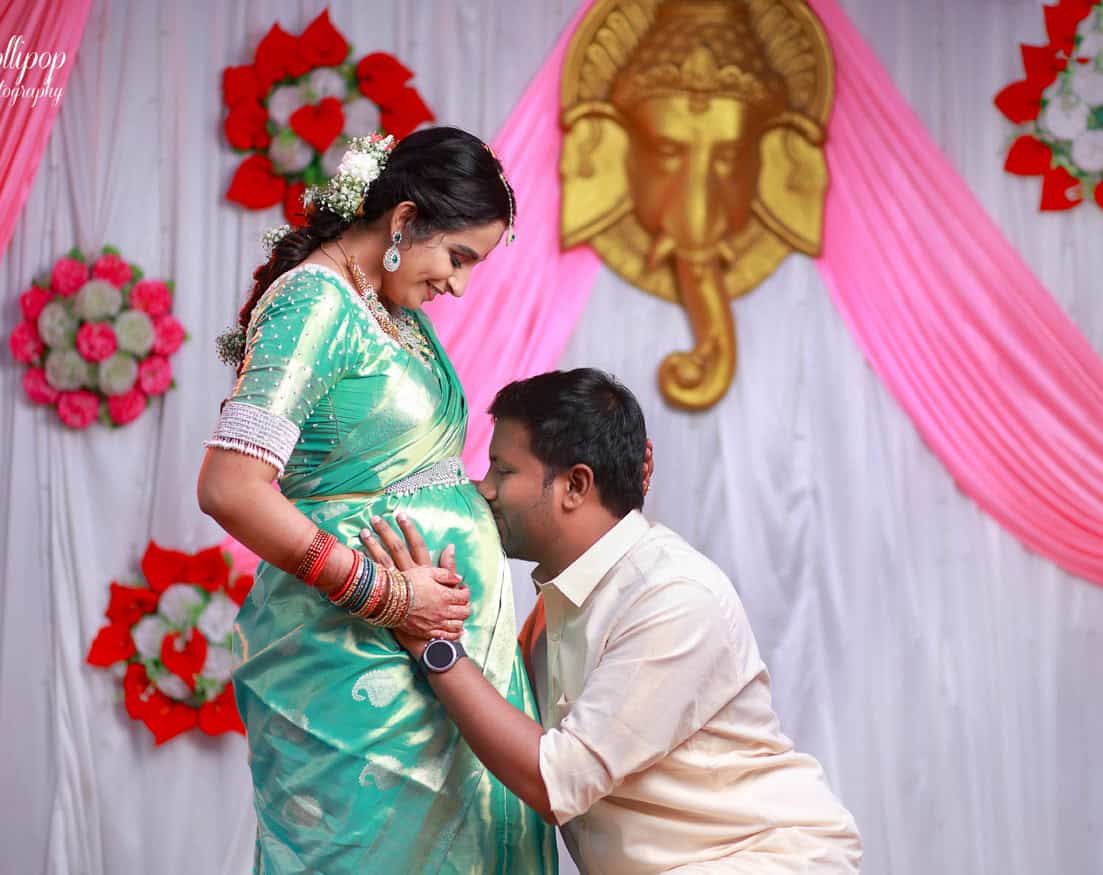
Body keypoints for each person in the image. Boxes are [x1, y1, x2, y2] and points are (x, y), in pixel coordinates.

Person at [197, 127, 556, 874]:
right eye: (456, 257)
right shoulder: (314, 302)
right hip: (359, 672)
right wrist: (388, 594)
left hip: (431, 672)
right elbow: (229, 488)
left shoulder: (393, 312)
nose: (459, 284)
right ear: (401, 223)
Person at [363, 368, 863, 874]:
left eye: (503, 471)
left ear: (575, 485)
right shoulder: (556, 607)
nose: (483, 490)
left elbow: (556, 779)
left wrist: (436, 645)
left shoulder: (672, 596)